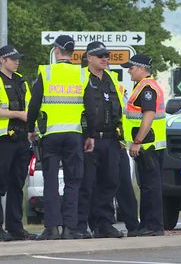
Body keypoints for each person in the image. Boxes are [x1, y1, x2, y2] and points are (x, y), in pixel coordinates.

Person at [27, 35, 89, 240]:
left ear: (56, 50)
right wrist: (89, 135)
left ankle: (52, 228)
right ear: (72, 52)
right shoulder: (81, 74)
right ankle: (70, 228)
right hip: (74, 135)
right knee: (73, 181)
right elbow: (90, 108)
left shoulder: (46, 72)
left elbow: (34, 104)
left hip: (51, 136)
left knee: (51, 181)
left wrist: (30, 128)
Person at [0, 45, 36, 241]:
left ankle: (16, 228)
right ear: (2, 60)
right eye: (13, 59)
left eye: (18, 58)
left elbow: (30, 108)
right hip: (4, 139)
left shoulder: (21, 81)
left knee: (17, 184)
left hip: (22, 139)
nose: (17, 61)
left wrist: (31, 128)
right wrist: (18, 115)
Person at [76, 41, 125, 238]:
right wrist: (87, 134)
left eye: (107, 55)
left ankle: (105, 224)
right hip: (89, 139)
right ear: (89, 58)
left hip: (111, 139)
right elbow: (78, 110)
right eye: (100, 56)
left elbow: (119, 109)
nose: (105, 59)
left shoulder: (111, 79)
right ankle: (81, 226)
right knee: (86, 183)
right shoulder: (81, 78)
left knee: (110, 182)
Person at [121, 54, 167, 237]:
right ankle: (147, 225)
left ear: (141, 68)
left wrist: (137, 141)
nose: (129, 71)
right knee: (147, 186)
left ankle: (153, 226)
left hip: (148, 145)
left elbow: (148, 115)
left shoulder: (147, 88)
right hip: (149, 145)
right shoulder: (142, 86)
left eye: (131, 68)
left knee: (150, 186)